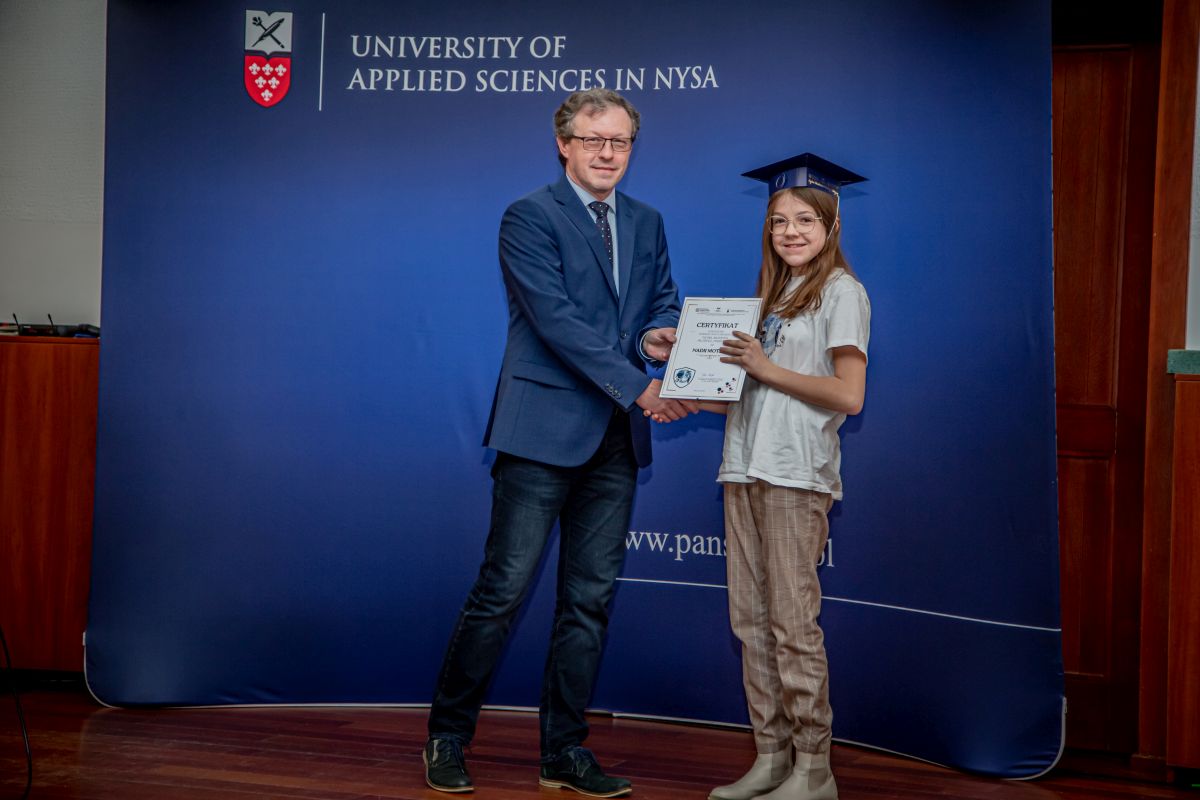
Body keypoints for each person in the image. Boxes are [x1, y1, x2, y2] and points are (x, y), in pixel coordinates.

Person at [423, 88, 696, 797]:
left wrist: (656, 338)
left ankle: (564, 753)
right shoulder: (529, 216)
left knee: (588, 601)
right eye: (594, 140)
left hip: (615, 441)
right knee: (502, 591)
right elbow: (556, 321)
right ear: (564, 145)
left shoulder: (647, 220)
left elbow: (660, 301)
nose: (608, 153)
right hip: (541, 434)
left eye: (620, 141)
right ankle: (447, 736)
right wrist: (640, 387)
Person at [699, 154, 870, 800]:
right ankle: (772, 757)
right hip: (743, 467)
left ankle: (814, 768)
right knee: (751, 621)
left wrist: (764, 368)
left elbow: (848, 394)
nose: (790, 232)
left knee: (793, 625)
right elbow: (749, 395)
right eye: (778, 221)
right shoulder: (771, 300)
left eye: (804, 220)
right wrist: (684, 389)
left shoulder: (842, 293)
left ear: (831, 226)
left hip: (796, 475)